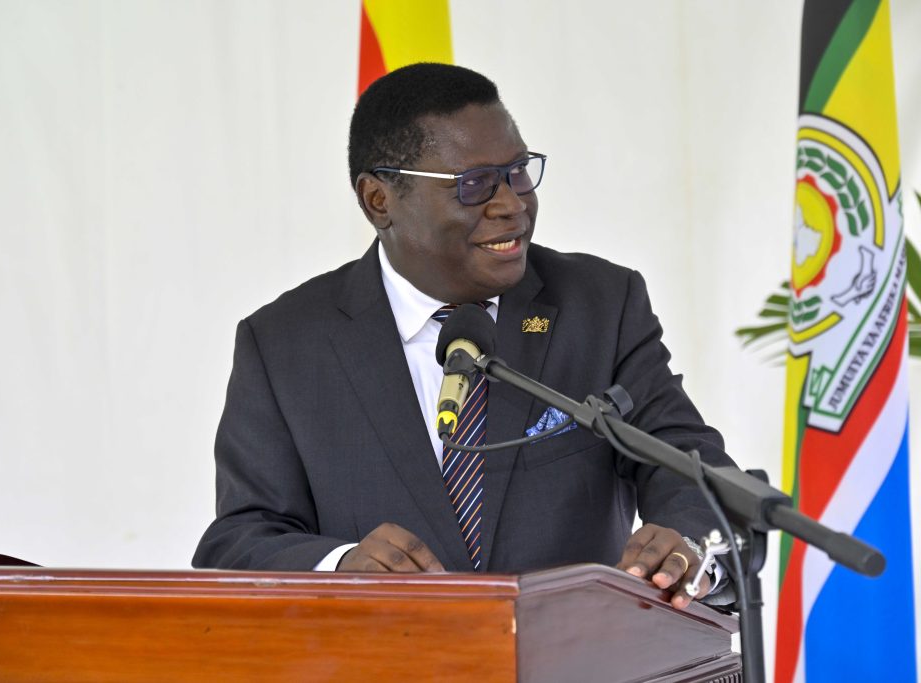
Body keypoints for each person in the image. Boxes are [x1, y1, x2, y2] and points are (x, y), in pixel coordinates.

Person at [193, 63, 735, 609]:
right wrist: (340, 564)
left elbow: (688, 466)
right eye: (474, 184)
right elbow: (238, 542)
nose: (512, 204)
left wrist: (687, 545)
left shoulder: (598, 304)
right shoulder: (285, 343)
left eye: (518, 171)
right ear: (379, 200)